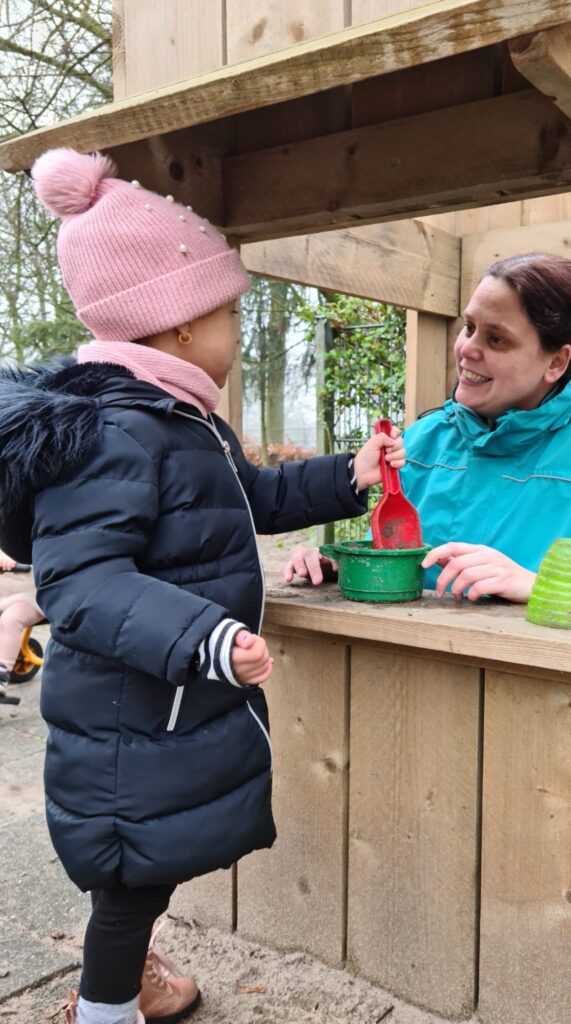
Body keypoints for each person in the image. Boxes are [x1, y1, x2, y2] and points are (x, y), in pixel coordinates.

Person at [0, 148, 404, 1024]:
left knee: (142, 872)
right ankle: (104, 1009)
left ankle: (120, 979)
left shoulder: (184, 423)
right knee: (128, 877)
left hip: (159, 708)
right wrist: (206, 638)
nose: (236, 331)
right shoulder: (117, 431)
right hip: (129, 710)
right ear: (179, 324)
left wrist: (349, 474)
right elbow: (80, 580)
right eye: (228, 313)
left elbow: (253, 500)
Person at [284, 252, 571, 616]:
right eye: (469, 328)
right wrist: (346, 569)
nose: (468, 348)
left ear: (556, 361)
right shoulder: (422, 441)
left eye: (496, 338)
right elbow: (406, 566)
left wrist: (538, 586)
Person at [0, 548, 44, 701]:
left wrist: (9, 558)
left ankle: (2, 674)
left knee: (10, 620)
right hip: (4, 594)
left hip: (30, 596)